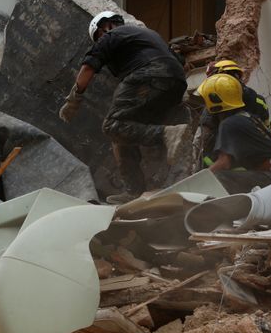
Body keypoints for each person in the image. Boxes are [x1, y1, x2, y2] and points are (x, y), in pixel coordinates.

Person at [60, 11, 190, 204]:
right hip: (175, 83)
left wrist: (74, 99)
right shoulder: (148, 35)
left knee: (112, 125)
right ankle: (134, 191)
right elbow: (181, 63)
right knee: (122, 133)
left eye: (98, 37)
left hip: (148, 75)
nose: (99, 40)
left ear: (105, 27)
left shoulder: (111, 36)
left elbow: (88, 67)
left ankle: (167, 134)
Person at [196, 74, 271, 193]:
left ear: (215, 100)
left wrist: (197, 182)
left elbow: (224, 163)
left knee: (218, 178)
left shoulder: (229, 124)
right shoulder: (247, 117)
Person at [198, 59, 270, 168]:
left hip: (229, 164)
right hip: (258, 157)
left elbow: (203, 138)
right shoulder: (257, 99)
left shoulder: (219, 103)